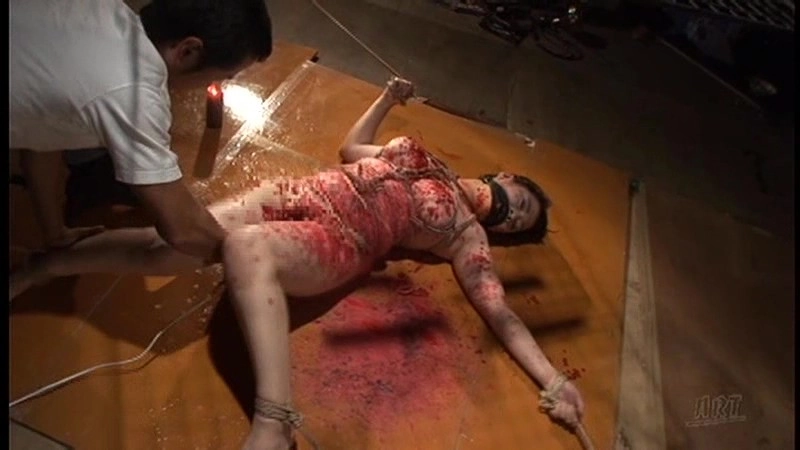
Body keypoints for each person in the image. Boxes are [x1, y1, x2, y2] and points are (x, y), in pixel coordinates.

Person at [10, 78, 586, 450]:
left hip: (341, 239)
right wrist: (387, 99)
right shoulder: (427, 157)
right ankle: (44, 266)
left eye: (517, 224)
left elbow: (500, 312)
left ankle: (276, 419)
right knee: (174, 242)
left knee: (246, 248)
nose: (511, 215)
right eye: (521, 203)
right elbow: (352, 150)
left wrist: (554, 381)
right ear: (505, 177)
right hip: (302, 192)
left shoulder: (465, 233)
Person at [10, 0, 273, 264]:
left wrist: (55, 233)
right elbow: (183, 230)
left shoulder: (100, 9)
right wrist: (260, 259)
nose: (212, 84)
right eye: (223, 75)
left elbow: (42, 136)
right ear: (188, 51)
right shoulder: (134, 96)